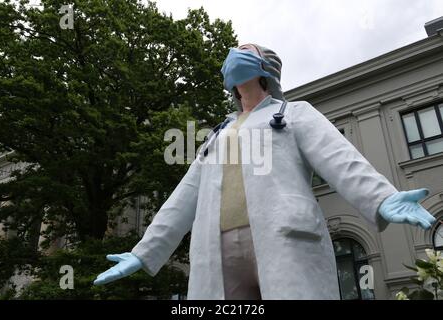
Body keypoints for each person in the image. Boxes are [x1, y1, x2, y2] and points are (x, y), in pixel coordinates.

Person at [93, 43, 436, 299]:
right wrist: (145, 251)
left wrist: (383, 197)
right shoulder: (217, 134)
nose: (233, 55)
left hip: (284, 237)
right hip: (218, 251)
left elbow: (340, 159)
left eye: (243, 51)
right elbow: (183, 199)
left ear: (264, 69)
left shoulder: (294, 114)